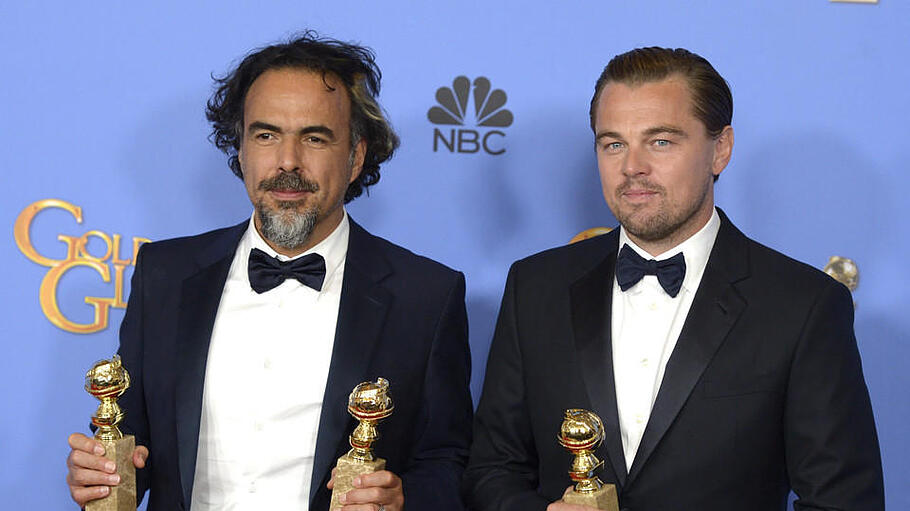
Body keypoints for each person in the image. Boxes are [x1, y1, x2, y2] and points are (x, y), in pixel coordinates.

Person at [65, 32, 473, 511]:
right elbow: (132, 439)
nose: (287, 162)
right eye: (266, 134)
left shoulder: (425, 295)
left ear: (356, 156)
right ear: (239, 148)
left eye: (315, 138)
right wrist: (100, 469)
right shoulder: (165, 274)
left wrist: (403, 499)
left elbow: (449, 464)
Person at [463, 47, 884, 510]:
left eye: (660, 141)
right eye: (613, 143)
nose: (632, 167)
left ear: (720, 149)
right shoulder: (535, 287)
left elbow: (843, 499)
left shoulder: (802, 305)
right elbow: (492, 469)